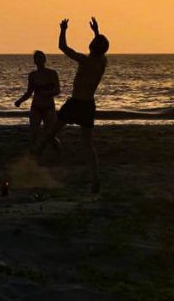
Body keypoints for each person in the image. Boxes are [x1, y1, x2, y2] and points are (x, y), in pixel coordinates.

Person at [33, 18, 109, 193]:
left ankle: (35, 158)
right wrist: (96, 32)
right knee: (88, 144)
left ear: (91, 47)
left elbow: (63, 47)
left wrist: (63, 29)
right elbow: (100, 48)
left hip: (76, 103)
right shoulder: (102, 62)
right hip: (88, 105)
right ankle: (95, 178)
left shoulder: (85, 61)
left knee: (51, 131)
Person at [14, 50, 61, 145]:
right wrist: (20, 101)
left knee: (50, 133)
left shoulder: (52, 74)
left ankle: (56, 148)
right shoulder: (33, 75)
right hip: (36, 107)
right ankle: (33, 154)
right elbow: (29, 92)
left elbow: (57, 90)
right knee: (34, 132)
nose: (39, 60)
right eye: (36, 58)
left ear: (44, 59)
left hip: (49, 107)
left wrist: (47, 93)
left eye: (40, 58)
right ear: (34, 61)